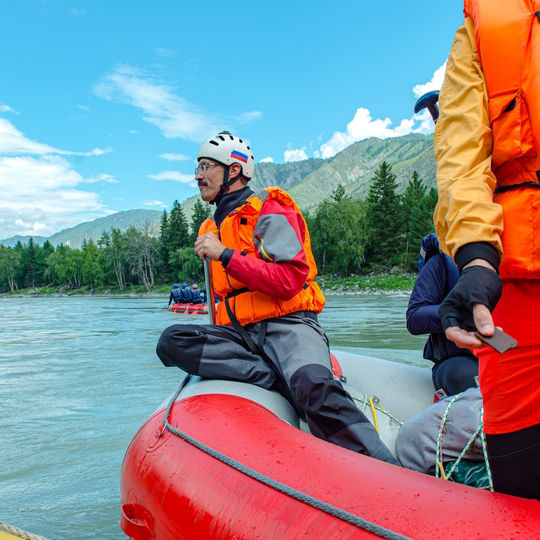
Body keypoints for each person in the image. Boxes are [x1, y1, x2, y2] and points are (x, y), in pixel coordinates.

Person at [156, 131, 398, 465]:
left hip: (288, 324)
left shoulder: (269, 209)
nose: (197, 176)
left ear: (234, 170)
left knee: (314, 384)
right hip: (241, 335)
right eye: (197, 167)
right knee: (173, 341)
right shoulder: (209, 227)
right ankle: (275, 377)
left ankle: (387, 469)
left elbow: (287, 281)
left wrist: (225, 255)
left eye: (205, 166)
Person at [433, 1, 540, 499]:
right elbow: (462, 159)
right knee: (519, 474)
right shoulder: (481, 28)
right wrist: (477, 259)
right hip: (510, 278)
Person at [406, 233, 478, 396]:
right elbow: (415, 317)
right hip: (458, 359)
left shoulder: (524, 261)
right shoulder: (441, 263)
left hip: (510, 357)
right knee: (462, 376)